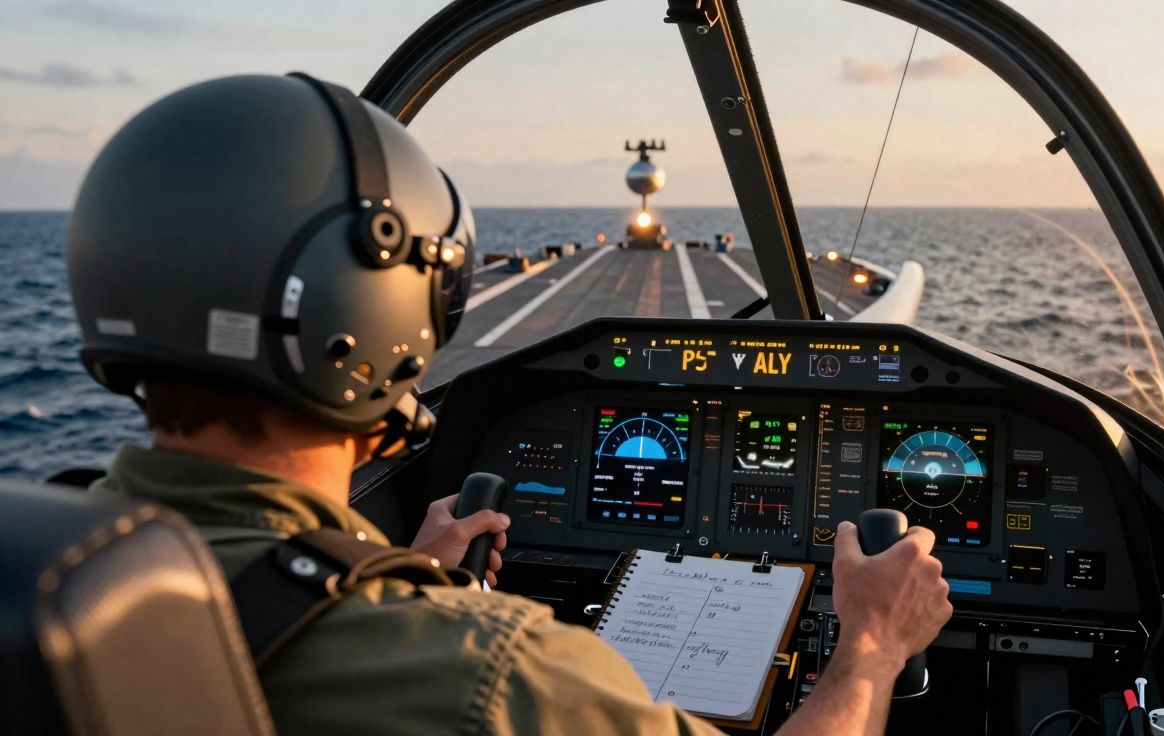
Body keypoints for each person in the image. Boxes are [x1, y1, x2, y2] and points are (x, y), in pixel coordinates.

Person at [68, 74, 952, 735]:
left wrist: (386, 574)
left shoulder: (47, 559)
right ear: (384, 317)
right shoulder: (492, 674)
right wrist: (871, 644)